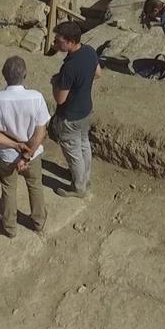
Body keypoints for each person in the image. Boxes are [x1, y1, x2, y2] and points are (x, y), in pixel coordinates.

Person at [0, 56, 50, 238]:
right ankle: (38, 222)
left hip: (6, 156)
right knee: (35, 186)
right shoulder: (36, 98)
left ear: (4, 75)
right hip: (32, 156)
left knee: (8, 189)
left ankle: (10, 227)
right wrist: (26, 156)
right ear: (25, 74)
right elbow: (40, 132)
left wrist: (14, 145)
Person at [50, 21, 101, 199]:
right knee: (84, 144)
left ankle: (79, 188)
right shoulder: (89, 51)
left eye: (59, 41)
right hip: (86, 109)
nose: (56, 44)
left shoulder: (69, 68)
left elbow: (60, 98)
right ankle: (85, 178)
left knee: (73, 152)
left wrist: (55, 82)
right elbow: (98, 74)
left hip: (70, 116)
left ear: (70, 42)